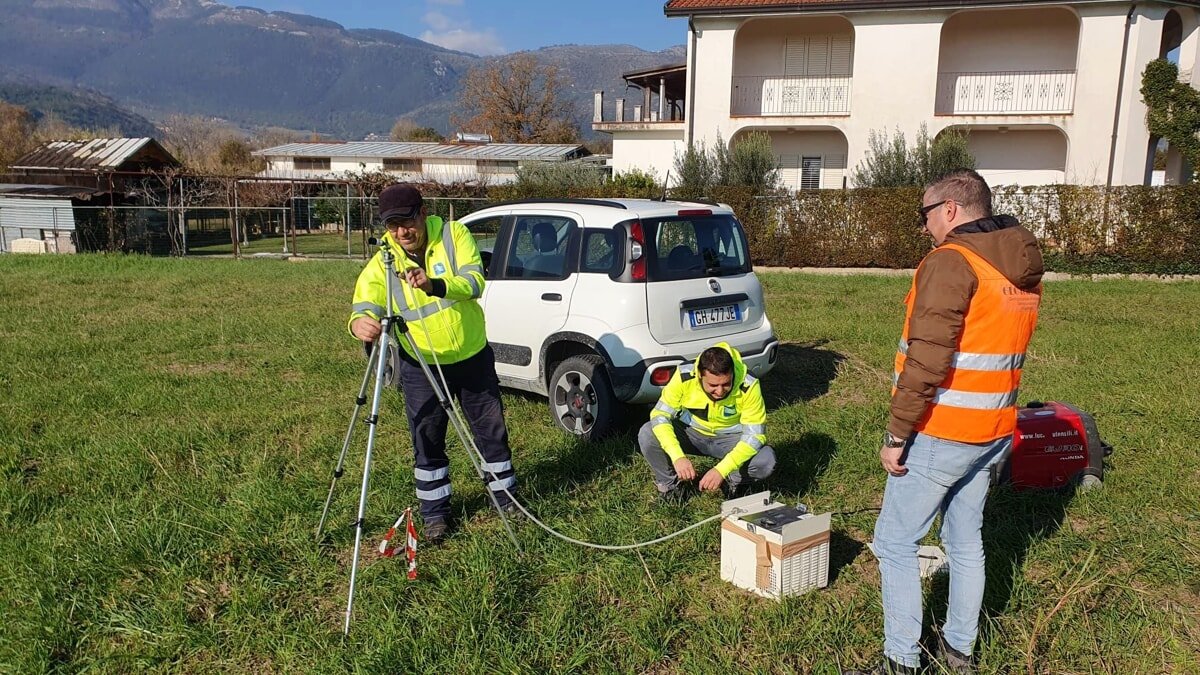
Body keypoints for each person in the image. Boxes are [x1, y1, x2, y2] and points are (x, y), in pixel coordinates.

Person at [847, 170, 1043, 675]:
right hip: (994, 431)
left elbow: (926, 359)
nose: (925, 226)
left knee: (894, 542)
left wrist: (897, 435)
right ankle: (959, 652)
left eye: (925, 214)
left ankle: (901, 661)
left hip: (943, 430)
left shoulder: (951, 263)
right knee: (965, 541)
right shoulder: (1015, 265)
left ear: (951, 209)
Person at [348, 183, 516, 542]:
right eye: (392, 226)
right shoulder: (384, 260)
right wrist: (359, 322)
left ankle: (506, 498)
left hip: (471, 355)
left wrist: (435, 284)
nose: (400, 232)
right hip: (421, 364)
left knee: (491, 431)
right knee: (426, 436)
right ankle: (436, 514)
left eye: (406, 221)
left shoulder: (455, 235)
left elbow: (474, 282)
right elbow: (365, 301)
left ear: (422, 213)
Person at [637, 342, 775, 501]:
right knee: (648, 433)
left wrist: (721, 470)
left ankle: (733, 482)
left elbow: (755, 436)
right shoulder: (684, 376)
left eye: (726, 384)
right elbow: (660, 415)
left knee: (766, 460)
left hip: (730, 440)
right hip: (691, 434)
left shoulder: (748, 384)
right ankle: (670, 487)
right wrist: (677, 457)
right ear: (700, 376)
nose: (720, 391)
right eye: (713, 385)